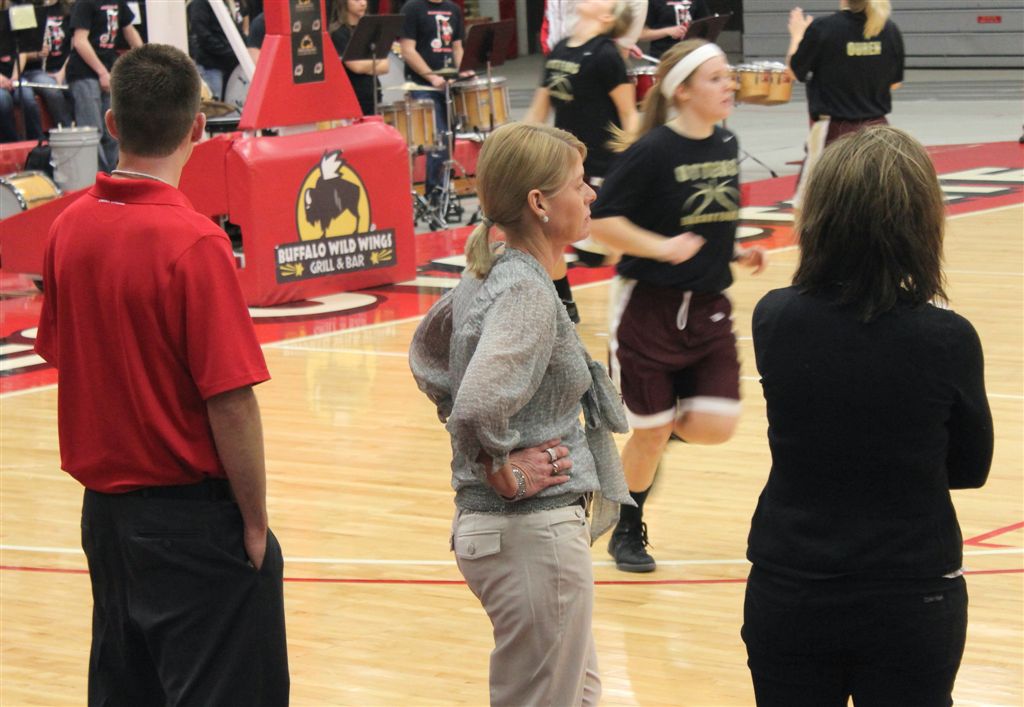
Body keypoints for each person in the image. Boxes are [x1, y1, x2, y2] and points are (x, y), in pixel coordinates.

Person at [34, 44, 289, 706]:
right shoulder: (194, 241)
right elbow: (230, 400)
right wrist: (254, 522)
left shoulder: (67, 228)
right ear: (198, 127)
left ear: (111, 123)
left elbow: (65, 355)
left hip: (105, 520)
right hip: (190, 522)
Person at [741, 125, 993, 706]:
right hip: (911, 591)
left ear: (820, 218)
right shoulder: (946, 336)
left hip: (791, 583)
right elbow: (970, 469)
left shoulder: (774, 316)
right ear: (921, 225)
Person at [409, 122, 634, 706]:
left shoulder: (493, 272)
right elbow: (477, 404)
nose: (590, 193)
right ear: (539, 203)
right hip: (529, 534)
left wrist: (486, 445)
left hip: (520, 536)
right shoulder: (524, 290)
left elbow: (428, 353)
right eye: (578, 184)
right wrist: (502, 467)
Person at [589, 40, 766, 572]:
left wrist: (733, 248)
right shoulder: (652, 151)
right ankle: (627, 529)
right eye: (716, 78)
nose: (729, 84)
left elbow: (708, 215)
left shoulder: (727, 142)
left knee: (716, 425)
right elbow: (600, 223)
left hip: (708, 305)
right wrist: (661, 248)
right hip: (647, 307)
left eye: (728, 76)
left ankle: (655, 436)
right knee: (649, 431)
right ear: (682, 91)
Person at [525, 0, 639, 322]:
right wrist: (516, 144)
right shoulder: (560, 49)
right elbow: (539, 110)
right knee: (546, 233)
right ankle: (564, 304)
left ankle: (643, 295)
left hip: (602, 166)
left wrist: (629, 166)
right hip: (566, 165)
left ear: (607, 16)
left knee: (602, 253)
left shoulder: (606, 55)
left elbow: (629, 115)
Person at [787, 0, 904, 205]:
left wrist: (797, 35)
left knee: (809, 203)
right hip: (879, 131)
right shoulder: (889, 29)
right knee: (874, 200)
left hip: (833, 132)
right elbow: (895, 84)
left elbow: (794, 72)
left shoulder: (823, 28)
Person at [399, 0, 467, 203]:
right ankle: (434, 196)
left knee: (449, 138)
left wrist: (456, 73)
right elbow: (408, 50)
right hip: (423, 87)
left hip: (447, 86)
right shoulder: (412, 8)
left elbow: (457, 47)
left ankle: (444, 194)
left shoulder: (453, 9)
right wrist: (432, 77)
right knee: (438, 139)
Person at [66, 0, 143, 172]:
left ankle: (112, 173)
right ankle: (98, 176)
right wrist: (101, 72)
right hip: (84, 73)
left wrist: (146, 58)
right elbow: (80, 41)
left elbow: (130, 30)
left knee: (113, 129)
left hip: (109, 70)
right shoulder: (84, 3)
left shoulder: (118, 2)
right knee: (93, 130)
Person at [18, 0, 74, 129]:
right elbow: (18, 51)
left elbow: (75, 46)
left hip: (64, 68)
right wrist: (36, 54)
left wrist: (62, 73)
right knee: (52, 90)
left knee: (78, 87)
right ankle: (66, 129)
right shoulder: (26, 10)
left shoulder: (69, 10)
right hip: (35, 70)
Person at [330, 0, 388, 116]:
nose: (363, 3)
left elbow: (385, 67)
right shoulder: (338, 32)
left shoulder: (372, 29)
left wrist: (366, 64)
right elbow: (356, 67)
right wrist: (377, 59)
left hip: (373, 95)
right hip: (351, 99)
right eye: (356, 0)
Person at [0, 5, 43, 142]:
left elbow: (23, 48)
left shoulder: (16, 12)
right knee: (3, 100)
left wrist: (15, 76)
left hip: (15, 75)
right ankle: (12, 144)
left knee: (28, 98)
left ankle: (38, 143)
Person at [188, 0, 244, 101]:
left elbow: (235, 29)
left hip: (230, 64)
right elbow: (202, 35)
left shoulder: (224, 3)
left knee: (228, 103)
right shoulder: (200, 3)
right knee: (213, 104)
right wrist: (230, 51)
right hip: (210, 66)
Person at [640, 0, 710, 59]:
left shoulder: (698, 2)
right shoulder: (653, 2)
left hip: (691, 53)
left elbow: (706, 25)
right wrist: (668, 31)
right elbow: (642, 34)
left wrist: (691, 32)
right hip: (664, 55)